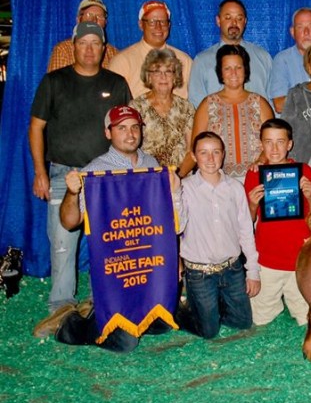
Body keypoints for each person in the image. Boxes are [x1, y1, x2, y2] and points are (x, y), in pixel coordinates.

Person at [37, 105, 180, 349]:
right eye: (121, 128)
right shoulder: (95, 171)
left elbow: (165, 222)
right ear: (108, 133)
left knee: (162, 322)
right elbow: (69, 222)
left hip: (146, 273)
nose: (130, 134)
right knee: (126, 343)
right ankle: (71, 325)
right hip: (115, 279)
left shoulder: (152, 165)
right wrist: (73, 192)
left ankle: (99, 314)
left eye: (135, 127)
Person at [28, 22, 131, 318]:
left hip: (106, 178)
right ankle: (61, 308)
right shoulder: (53, 82)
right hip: (63, 174)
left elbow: (127, 131)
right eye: (83, 43)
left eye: (95, 43)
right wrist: (40, 172)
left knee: (111, 243)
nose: (89, 49)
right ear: (72, 46)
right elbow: (36, 127)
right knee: (62, 245)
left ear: (104, 48)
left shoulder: (116, 84)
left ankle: (107, 301)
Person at [177, 131, 261, 339]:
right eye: (203, 153)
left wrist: (252, 272)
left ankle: (212, 306)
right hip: (200, 272)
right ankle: (183, 309)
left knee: (243, 322)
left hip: (231, 268)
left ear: (223, 155)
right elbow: (176, 227)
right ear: (194, 157)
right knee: (209, 332)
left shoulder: (234, 188)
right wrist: (174, 194)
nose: (210, 159)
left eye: (216, 152)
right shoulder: (185, 189)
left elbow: (245, 231)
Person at [245, 119, 311, 326]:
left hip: (300, 258)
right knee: (260, 320)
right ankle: (276, 303)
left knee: (307, 319)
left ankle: (292, 302)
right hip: (268, 258)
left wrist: (309, 196)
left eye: (280, 142)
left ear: (289, 144)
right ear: (261, 144)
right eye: (268, 142)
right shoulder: (254, 174)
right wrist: (253, 204)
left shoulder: (304, 170)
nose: (274, 148)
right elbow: (249, 220)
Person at [192, 44, 274, 180]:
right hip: (218, 180)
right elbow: (195, 147)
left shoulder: (260, 103)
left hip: (256, 178)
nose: (233, 73)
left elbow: (272, 142)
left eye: (238, 68)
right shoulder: (207, 104)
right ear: (220, 72)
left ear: (245, 70)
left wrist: (260, 161)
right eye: (227, 68)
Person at [188, 0, 273, 108]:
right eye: (228, 18)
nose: (234, 23)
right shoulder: (202, 61)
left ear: (245, 22)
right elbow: (196, 104)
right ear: (218, 21)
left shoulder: (263, 57)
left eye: (239, 18)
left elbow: (272, 103)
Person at [129, 48, 196, 178]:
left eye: (168, 71)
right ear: (149, 76)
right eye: (157, 71)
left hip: (181, 178)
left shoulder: (186, 108)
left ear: (175, 76)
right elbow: (130, 151)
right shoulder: (136, 107)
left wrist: (178, 176)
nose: (163, 77)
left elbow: (192, 151)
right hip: (146, 179)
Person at [109, 0, 193, 99]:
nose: (158, 27)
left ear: (169, 25)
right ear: (141, 24)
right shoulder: (122, 61)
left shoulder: (185, 61)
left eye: (163, 21)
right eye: (152, 22)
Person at [47, 0, 118, 72]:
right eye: (88, 15)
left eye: (99, 16)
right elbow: (55, 82)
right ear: (78, 20)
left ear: (105, 23)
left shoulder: (113, 54)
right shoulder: (63, 50)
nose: (94, 20)